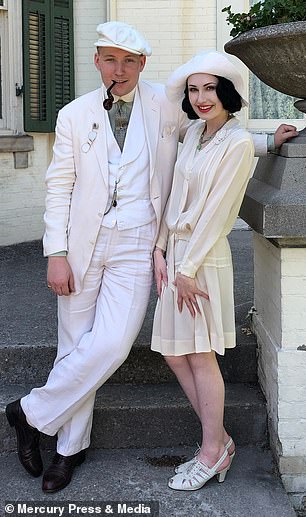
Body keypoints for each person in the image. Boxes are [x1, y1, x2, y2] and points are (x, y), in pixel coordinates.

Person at [5, 21, 297, 494]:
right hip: (81, 246)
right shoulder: (74, 115)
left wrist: (267, 141)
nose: (118, 69)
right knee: (75, 344)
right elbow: (59, 186)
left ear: (143, 65)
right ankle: (67, 449)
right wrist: (56, 251)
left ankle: (29, 413)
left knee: (113, 344)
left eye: (129, 61)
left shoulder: (166, 102)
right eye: (109, 59)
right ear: (96, 61)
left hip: (140, 243)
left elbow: (215, 133)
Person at [151, 50, 258, 491]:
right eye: (194, 90)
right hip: (176, 256)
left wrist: (188, 267)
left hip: (203, 259)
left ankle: (211, 450)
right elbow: (175, 191)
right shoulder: (194, 132)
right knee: (175, 353)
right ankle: (220, 443)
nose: (200, 98)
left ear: (227, 92)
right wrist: (160, 250)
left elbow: (218, 214)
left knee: (200, 355)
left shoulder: (239, 143)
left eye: (210, 88)